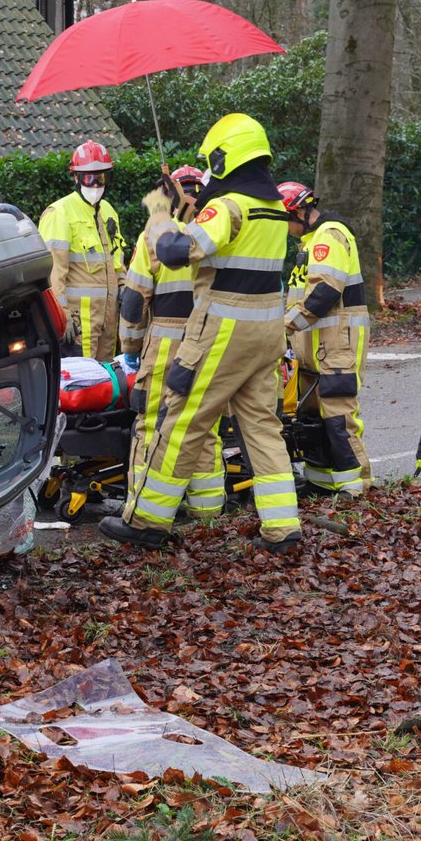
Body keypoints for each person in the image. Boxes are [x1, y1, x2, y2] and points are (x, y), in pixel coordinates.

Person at [100, 113, 302, 553]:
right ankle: (283, 527)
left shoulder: (228, 207)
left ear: (225, 156)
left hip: (222, 333)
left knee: (182, 420)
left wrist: (158, 214)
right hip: (267, 331)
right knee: (263, 427)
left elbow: (177, 252)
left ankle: (147, 521)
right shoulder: (273, 209)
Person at [118, 165, 225, 521]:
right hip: (209, 340)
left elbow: (134, 302)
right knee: (203, 425)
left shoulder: (154, 234)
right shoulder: (217, 233)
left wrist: (130, 352)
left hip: (165, 344)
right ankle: (207, 513)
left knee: (151, 424)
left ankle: (142, 508)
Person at [279, 181, 371, 496]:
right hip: (313, 345)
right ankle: (321, 481)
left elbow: (325, 292)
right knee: (311, 414)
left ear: (301, 211)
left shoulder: (329, 236)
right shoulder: (309, 242)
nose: (286, 228)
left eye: (286, 219)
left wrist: (285, 326)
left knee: (337, 412)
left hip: (336, 342)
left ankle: (354, 486)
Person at [38, 141, 125, 361]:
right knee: (80, 386)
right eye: (88, 178)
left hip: (108, 320)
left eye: (101, 178)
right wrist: (61, 315)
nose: (95, 185)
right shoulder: (60, 212)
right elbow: (52, 272)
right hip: (77, 324)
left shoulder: (108, 211)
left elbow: (117, 262)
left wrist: (125, 290)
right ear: (76, 178)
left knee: (106, 382)